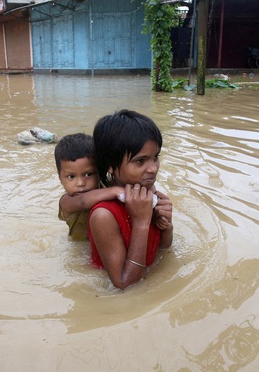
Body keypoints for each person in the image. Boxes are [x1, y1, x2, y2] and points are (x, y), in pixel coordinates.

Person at [89, 109, 173, 290]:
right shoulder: (104, 215)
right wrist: (142, 222)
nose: (153, 168)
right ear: (111, 165)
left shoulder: (147, 193)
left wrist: (167, 225)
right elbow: (125, 284)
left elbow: (162, 249)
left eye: (155, 157)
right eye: (140, 161)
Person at [55, 133, 124, 241]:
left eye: (88, 174)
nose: (80, 183)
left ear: (100, 172)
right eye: (71, 176)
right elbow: (83, 201)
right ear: (60, 178)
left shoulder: (105, 188)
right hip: (80, 244)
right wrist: (116, 191)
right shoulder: (66, 202)